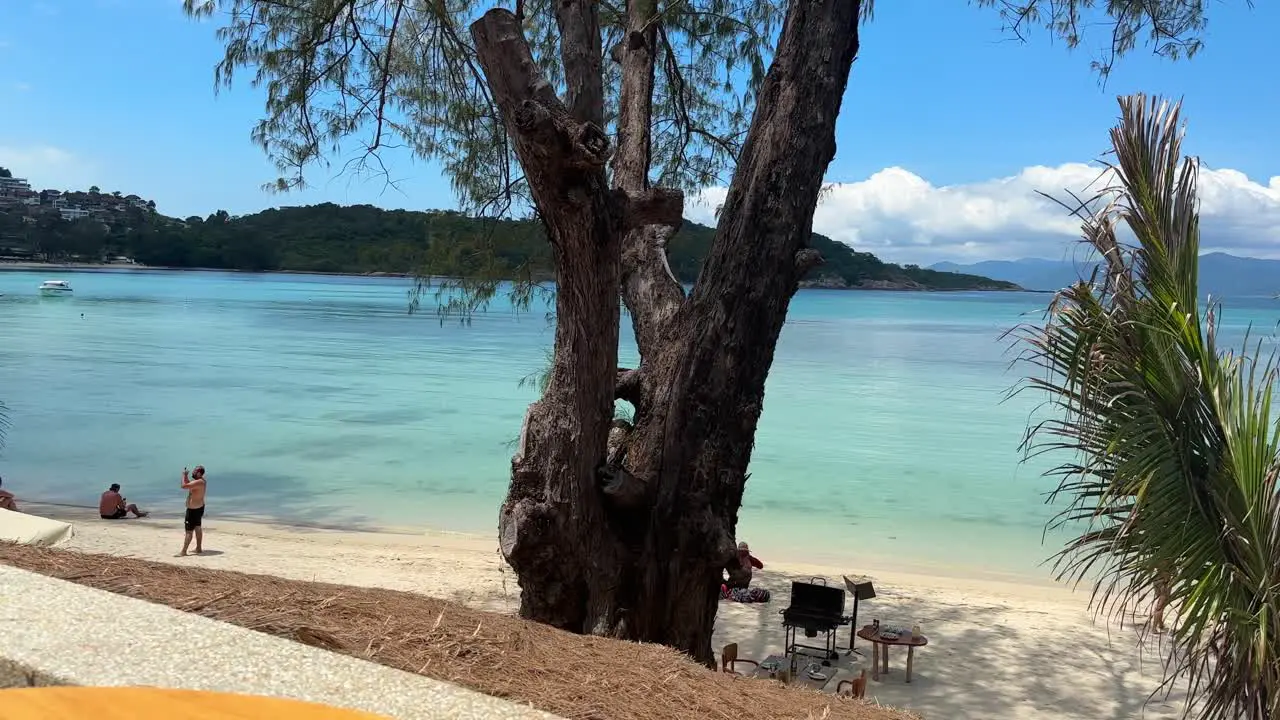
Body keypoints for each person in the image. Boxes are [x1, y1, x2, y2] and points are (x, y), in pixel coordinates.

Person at [179, 465, 207, 556]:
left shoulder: (199, 482)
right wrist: (186, 476)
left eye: (195, 471)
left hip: (193, 510)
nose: (193, 473)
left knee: (189, 531)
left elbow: (184, 486)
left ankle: (183, 551)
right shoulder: (200, 482)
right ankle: (198, 548)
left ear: (199, 473)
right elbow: (189, 485)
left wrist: (183, 475)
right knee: (198, 527)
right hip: (199, 507)